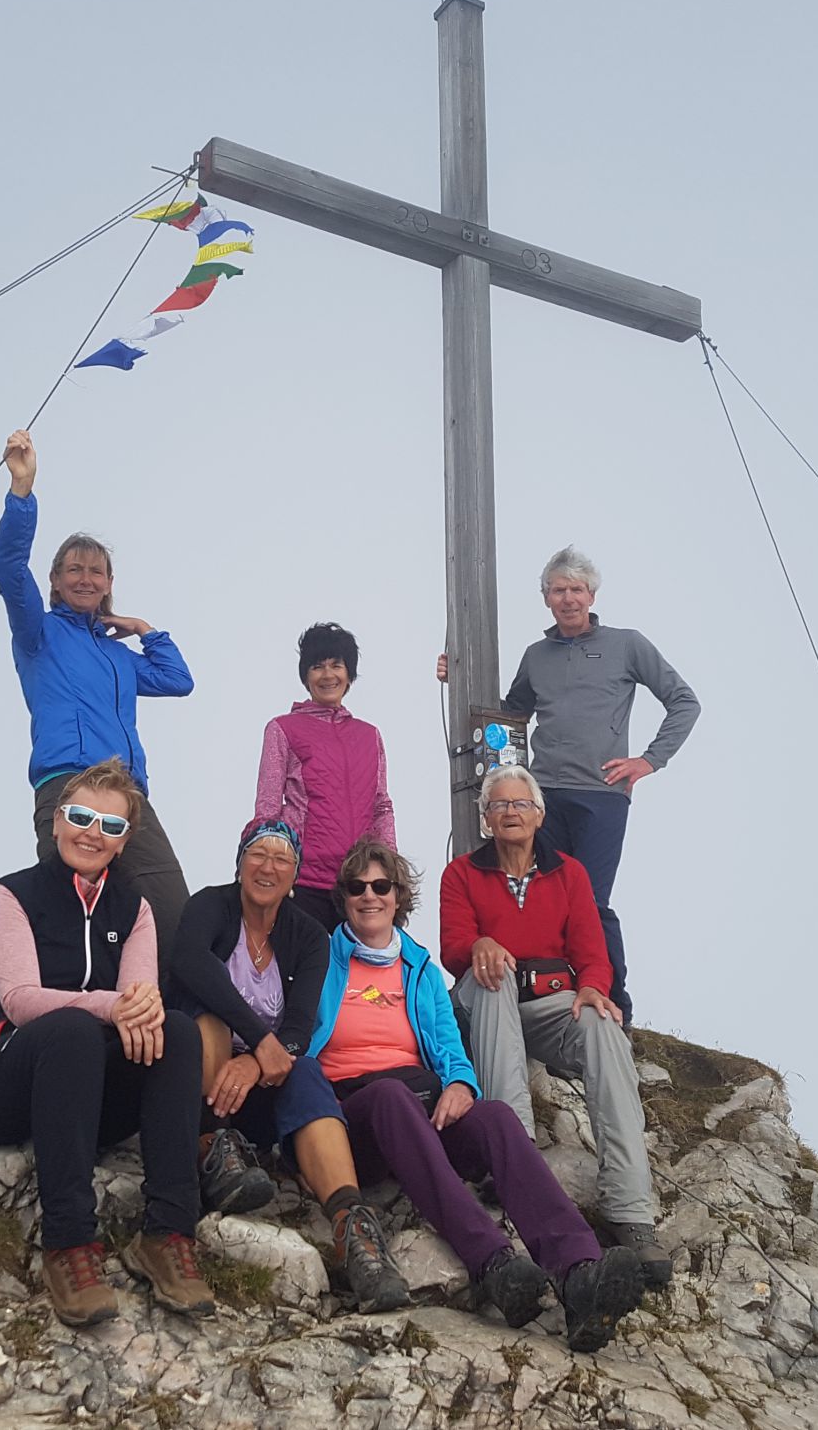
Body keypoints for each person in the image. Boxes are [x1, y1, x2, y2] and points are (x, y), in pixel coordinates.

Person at [309, 840, 645, 1352]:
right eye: (357, 888)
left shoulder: (418, 968)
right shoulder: (321, 958)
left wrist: (462, 1085)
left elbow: (447, 1043)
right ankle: (492, 1262)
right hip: (352, 1114)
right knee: (390, 1097)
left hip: (419, 1106)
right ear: (345, 898)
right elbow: (296, 1034)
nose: (369, 896)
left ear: (399, 897)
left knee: (494, 1118)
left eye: (382, 886)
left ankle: (580, 1273)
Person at [0, 759, 212, 1326]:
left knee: (179, 1033)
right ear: (58, 820)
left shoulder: (134, 909)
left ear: (124, 842)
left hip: (82, 1097)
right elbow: (17, 1000)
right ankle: (69, 1247)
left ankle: (168, 1236)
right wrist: (111, 1005)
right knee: (72, 1028)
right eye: (82, 816)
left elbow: (138, 1001)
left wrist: (143, 1008)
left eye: (111, 827)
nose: (93, 833)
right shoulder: (9, 895)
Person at [437, 546, 698, 1023]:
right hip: (544, 796)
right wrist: (456, 676)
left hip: (602, 796)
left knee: (593, 902)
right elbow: (510, 715)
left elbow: (684, 700)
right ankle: (546, 996)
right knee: (541, 894)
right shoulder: (537, 656)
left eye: (577, 589)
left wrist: (648, 761)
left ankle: (614, 1003)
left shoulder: (627, 644)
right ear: (546, 599)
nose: (569, 598)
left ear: (592, 594)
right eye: (559, 590)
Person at [440, 763, 670, 1288]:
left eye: (521, 804)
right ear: (485, 820)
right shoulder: (462, 873)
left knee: (603, 1026)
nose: (511, 813)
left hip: (548, 1003)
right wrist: (480, 944)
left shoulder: (568, 872)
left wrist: (593, 987)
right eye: (499, 805)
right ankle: (513, 1155)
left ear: (540, 815)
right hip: (487, 1000)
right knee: (492, 978)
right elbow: (454, 948)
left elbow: (592, 950)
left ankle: (630, 1208)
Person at [167, 819, 410, 1312]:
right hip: (199, 1086)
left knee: (306, 1071)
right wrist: (259, 1040)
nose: (268, 866)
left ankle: (353, 1230)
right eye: (258, 854)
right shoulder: (210, 907)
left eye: (282, 858)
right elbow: (191, 965)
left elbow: (299, 1026)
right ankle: (214, 1149)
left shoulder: (306, 935)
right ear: (240, 864)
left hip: (259, 1087)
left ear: (295, 873)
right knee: (208, 1021)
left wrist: (259, 1064)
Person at [0, 429, 195, 957]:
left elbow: (178, 681)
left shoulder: (117, 657)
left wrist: (144, 628)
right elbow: (10, 571)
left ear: (109, 583)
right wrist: (22, 493)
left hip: (126, 793)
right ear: (56, 582)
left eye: (96, 571)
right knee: (69, 913)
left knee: (170, 910)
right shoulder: (38, 635)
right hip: (68, 782)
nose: (86, 578)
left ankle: (172, 1023)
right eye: (74, 569)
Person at [255, 622, 397, 928]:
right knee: (309, 973)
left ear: (349, 675)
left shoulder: (369, 734)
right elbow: (267, 808)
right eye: (317, 667)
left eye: (337, 665)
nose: (328, 675)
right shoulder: (283, 728)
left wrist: (389, 867)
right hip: (303, 881)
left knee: (365, 975)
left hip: (359, 884)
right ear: (306, 676)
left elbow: (381, 805)